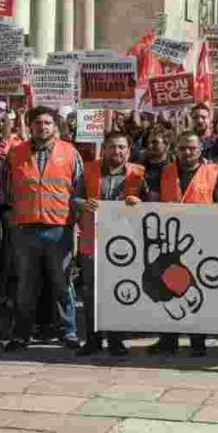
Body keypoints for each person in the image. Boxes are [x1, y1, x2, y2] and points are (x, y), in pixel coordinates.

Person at [130, 131, 218, 356]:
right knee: (167, 289)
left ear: (201, 149)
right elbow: (151, 200)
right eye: (183, 148)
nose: (187, 152)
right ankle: (167, 340)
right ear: (175, 150)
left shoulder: (214, 172)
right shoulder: (164, 172)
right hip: (169, 242)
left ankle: (197, 341)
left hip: (201, 242)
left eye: (192, 148)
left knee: (197, 291)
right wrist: (137, 202)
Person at [0, 107, 84, 352]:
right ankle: (21, 334)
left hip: (59, 229)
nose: (43, 127)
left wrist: (75, 224)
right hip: (25, 229)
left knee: (62, 283)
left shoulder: (70, 152)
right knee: (25, 285)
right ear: (30, 126)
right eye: (38, 123)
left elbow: (78, 190)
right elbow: (6, 189)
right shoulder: (16, 154)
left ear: (55, 127)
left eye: (47, 123)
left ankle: (68, 331)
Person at [78, 131, 144, 357]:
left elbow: (154, 204)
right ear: (104, 149)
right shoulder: (88, 171)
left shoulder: (139, 174)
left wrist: (140, 202)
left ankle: (116, 340)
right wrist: (83, 203)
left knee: (118, 291)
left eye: (122, 147)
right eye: (112, 147)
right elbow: (72, 198)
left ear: (129, 150)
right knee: (90, 292)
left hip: (123, 244)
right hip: (91, 240)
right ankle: (92, 340)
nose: (117, 151)